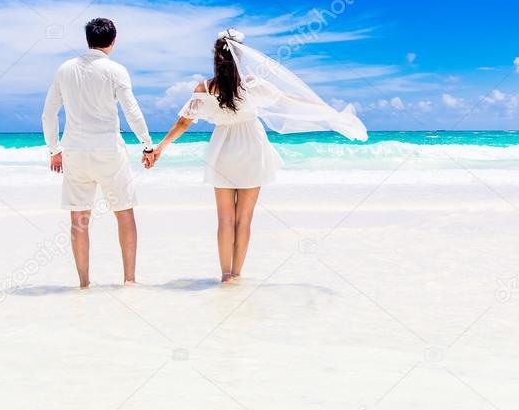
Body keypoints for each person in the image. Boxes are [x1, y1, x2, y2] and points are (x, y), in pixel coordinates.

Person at [150, 29, 367, 284]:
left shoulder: (205, 88)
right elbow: (286, 101)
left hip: (222, 151)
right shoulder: (251, 84)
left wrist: (160, 147)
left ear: (216, 57)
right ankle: (238, 273)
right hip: (252, 148)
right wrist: (328, 111)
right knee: (244, 219)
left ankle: (225, 276)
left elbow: (184, 122)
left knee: (224, 219)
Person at [42, 17, 156, 288]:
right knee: (124, 212)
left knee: (79, 219)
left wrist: (54, 150)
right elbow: (132, 111)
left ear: (88, 39)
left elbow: (48, 114)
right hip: (108, 151)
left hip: (74, 151)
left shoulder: (65, 69)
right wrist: (147, 145)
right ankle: (129, 280)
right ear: (113, 41)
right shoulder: (116, 70)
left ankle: (84, 283)